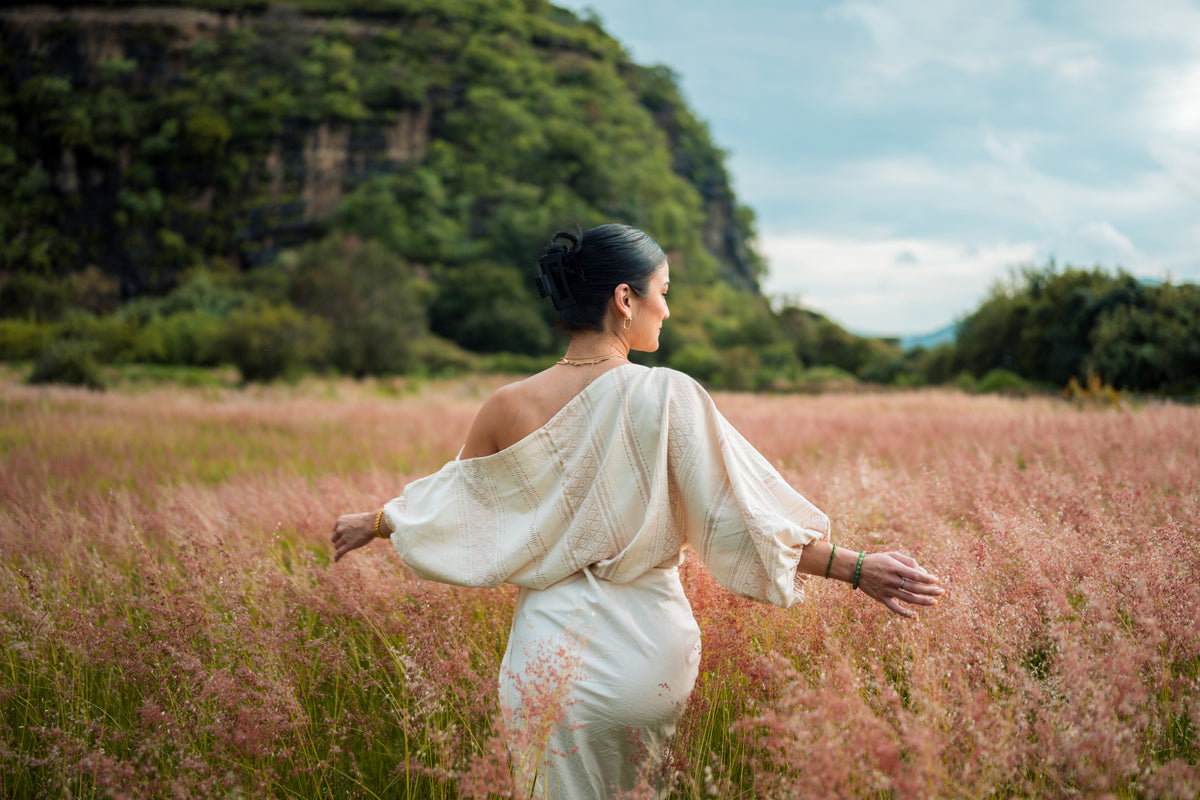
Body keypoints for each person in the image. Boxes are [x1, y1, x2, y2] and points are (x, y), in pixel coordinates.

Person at [331, 223, 944, 798]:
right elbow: (739, 519)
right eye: (663, 292)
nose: (667, 309)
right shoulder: (667, 395)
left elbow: (452, 502)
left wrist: (377, 521)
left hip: (546, 664)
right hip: (643, 656)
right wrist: (857, 569)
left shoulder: (505, 406)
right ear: (625, 298)